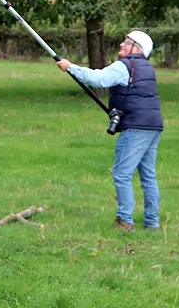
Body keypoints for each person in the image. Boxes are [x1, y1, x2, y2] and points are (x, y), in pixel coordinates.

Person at [58, 30, 163, 232]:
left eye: (127, 42)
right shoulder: (147, 68)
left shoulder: (126, 65)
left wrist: (71, 67)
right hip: (153, 126)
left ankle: (125, 221)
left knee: (122, 174)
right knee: (148, 176)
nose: (121, 45)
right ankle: (152, 223)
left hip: (135, 127)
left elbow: (99, 79)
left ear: (137, 48)